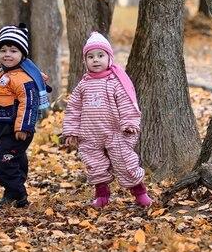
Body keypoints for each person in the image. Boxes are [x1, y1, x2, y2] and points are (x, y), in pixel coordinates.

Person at [63, 31, 152, 208]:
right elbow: (73, 108)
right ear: (85, 61)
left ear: (109, 58)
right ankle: (102, 195)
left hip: (115, 132)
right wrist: (71, 130)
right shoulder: (84, 84)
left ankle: (140, 193)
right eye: (91, 56)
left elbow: (127, 103)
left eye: (100, 55)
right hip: (89, 134)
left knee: (125, 162)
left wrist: (129, 123)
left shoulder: (115, 82)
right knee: (94, 165)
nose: (96, 60)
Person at [0, 24, 48, 208]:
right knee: (15, 160)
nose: (7, 54)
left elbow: (29, 103)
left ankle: (19, 194)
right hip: (2, 128)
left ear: (22, 55)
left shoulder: (23, 79)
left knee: (2, 159)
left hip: (17, 130)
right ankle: (11, 194)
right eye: (3, 50)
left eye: (13, 50)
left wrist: (24, 127)